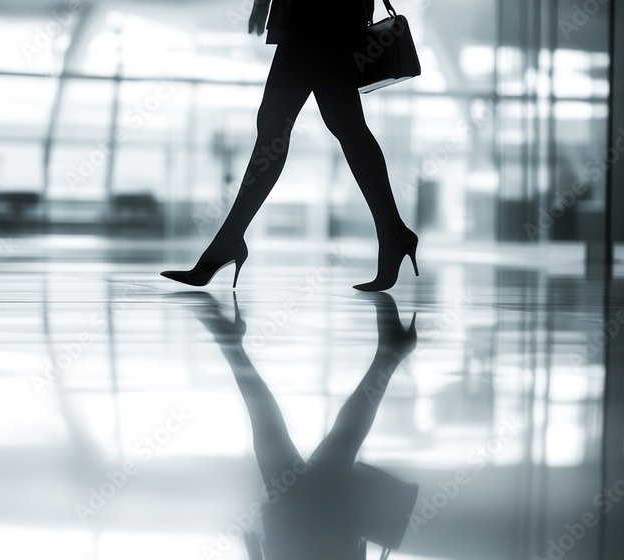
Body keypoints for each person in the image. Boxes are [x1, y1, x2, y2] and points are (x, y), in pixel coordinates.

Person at [161, 0, 418, 291]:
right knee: (341, 124)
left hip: (314, 15)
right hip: (331, 15)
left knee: (279, 124)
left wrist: (261, 3)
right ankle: (394, 233)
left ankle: (227, 243)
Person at [168, 291, 418, 558]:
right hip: (302, 539)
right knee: (280, 440)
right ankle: (230, 341)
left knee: (326, 445)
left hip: (320, 540)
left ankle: (390, 353)